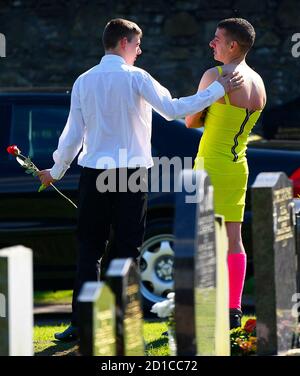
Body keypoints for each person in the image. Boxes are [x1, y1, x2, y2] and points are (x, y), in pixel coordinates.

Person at [38, 18, 243, 341]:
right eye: (137, 44)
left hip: (94, 174)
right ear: (123, 43)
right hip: (131, 175)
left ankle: (81, 324)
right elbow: (174, 110)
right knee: (127, 248)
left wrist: (57, 170)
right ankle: (121, 323)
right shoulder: (137, 77)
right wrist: (220, 88)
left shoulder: (83, 81)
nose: (140, 50)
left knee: (89, 249)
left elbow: (73, 135)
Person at [186, 18, 266, 329]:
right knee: (234, 239)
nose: (211, 43)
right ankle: (233, 308)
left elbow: (190, 121)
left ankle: (208, 308)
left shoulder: (216, 76)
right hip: (238, 167)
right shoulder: (258, 81)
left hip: (209, 166)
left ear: (232, 45)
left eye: (217, 39)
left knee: (203, 240)